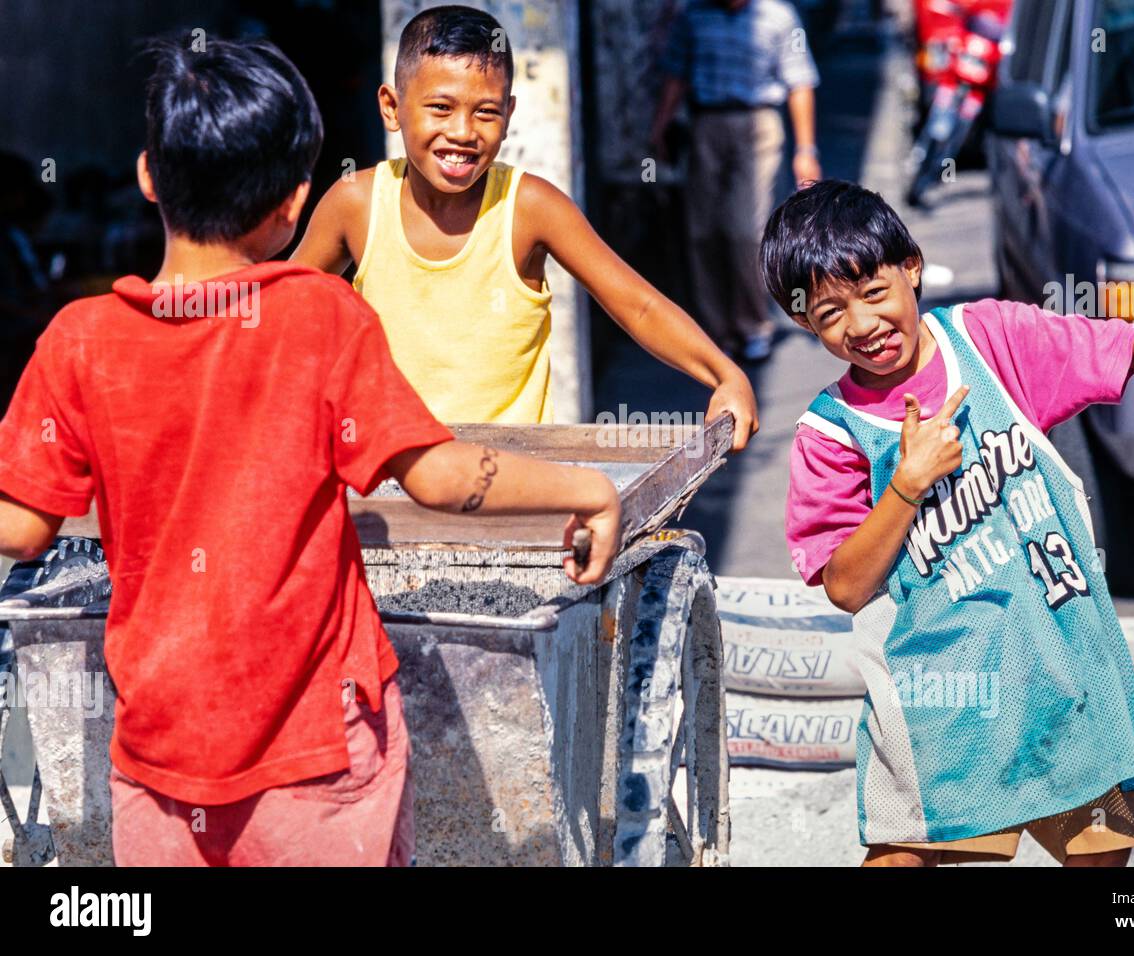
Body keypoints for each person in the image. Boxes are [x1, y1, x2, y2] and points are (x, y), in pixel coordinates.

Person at [0, 35, 621, 867]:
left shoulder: (81, 340)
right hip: (322, 750)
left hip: (156, 756)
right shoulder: (319, 317)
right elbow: (436, 474)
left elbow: (25, 527)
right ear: (295, 204)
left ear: (149, 175)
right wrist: (588, 489)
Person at [766, 180, 1134, 867]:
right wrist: (904, 486)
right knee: (907, 856)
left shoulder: (990, 341)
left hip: (1069, 669)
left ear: (912, 268)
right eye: (831, 312)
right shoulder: (830, 435)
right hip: (943, 701)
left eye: (873, 294)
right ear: (804, 321)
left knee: (1103, 848)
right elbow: (843, 585)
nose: (862, 325)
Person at [294, 4, 758, 448]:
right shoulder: (356, 203)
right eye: (440, 107)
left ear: (509, 115)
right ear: (392, 107)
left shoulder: (530, 207)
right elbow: (285, 312)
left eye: (486, 112)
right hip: (386, 479)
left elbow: (637, 306)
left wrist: (725, 375)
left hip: (514, 486)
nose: (462, 132)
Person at [650, 0, 822, 362]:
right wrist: (660, 126)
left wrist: (806, 150)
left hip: (757, 125)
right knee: (702, 231)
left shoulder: (778, 16)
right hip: (706, 124)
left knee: (746, 230)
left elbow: (800, 81)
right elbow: (676, 73)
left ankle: (753, 325)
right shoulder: (694, 15)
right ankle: (715, 332)